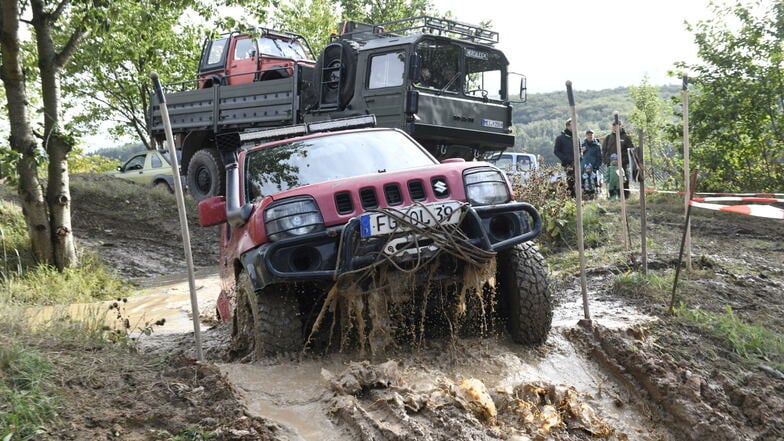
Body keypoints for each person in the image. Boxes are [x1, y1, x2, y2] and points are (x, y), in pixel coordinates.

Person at [601, 120, 636, 199]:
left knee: (624, 181)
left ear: (621, 126)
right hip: (611, 165)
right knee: (612, 182)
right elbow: (604, 151)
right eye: (614, 125)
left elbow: (630, 151)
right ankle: (613, 199)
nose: (615, 127)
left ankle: (625, 198)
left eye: (617, 125)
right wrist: (607, 161)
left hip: (622, 164)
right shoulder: (608, 138)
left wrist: (624, 160)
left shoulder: (626, 138)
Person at [553, 118, 576, 197]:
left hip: (577, 164)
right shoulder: (560, 138)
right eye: (573, 125)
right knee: (570, 182)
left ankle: (579, 199)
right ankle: (571, 199)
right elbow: (556, 151)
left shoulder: (577, 138)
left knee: (578, 182)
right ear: (567, 126)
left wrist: (581, 157)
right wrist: (566, 159)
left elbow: (580, 150)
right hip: (568, 164)